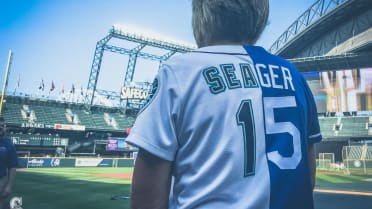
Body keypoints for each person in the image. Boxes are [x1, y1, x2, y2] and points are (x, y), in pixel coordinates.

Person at [126, 0, 322, 208]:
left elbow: (147, 191)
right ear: (261, 18)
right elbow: (308, 175)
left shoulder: (179, 72)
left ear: (200, 17)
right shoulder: (294, 76)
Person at [0, 116, 17, 209]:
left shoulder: (8, 144)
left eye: (2, 126)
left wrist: (9, 186)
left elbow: (12, 167)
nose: (0, 127)